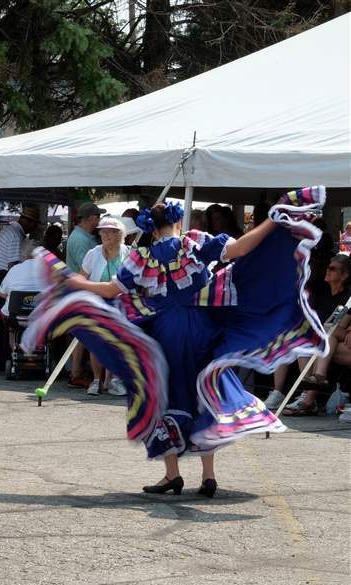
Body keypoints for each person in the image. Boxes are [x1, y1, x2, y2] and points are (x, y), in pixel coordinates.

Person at [24, 188, 327, 498]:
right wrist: (272, 221)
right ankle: (208, 476)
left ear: (149, 228)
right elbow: (241, 249)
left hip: (167, 331)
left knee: (166, 395)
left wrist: (74, 282)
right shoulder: (193, 243)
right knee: (204, 390)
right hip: (203, 327)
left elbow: (110, 290)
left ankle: (172, 474)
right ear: (175, 222)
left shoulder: (142, 257)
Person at [266, 254, 351, 410]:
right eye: (327, 267)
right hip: (324, 338)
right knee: (288, 336)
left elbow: (340, 325)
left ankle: (308, 393)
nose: (327, 271)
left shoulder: (347, 297)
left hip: (333, 339)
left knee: (309, 339)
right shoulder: (321, 293)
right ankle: (278, 392)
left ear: (344, 275)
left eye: (332, 269)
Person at [79, 216, 130, 397]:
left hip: (121, 305)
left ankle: (115, 379)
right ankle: (96, 380)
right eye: (103, 231)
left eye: (110, 231)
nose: (105, 235)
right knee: (97, 343)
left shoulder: (129, 254)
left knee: (118, 343)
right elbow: (81, 277)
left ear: (119, 235)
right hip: (97, 302)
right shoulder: (93, 253)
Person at [64, 202, 104, 387]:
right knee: (81, 334)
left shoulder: (85, 236)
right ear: (91, 218)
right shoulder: (79, 239)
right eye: (98, 216)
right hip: (83, 291)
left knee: (82, 334)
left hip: (86, 291)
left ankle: (77, 371)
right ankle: (76, 372)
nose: (100, 220)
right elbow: (86, 269)